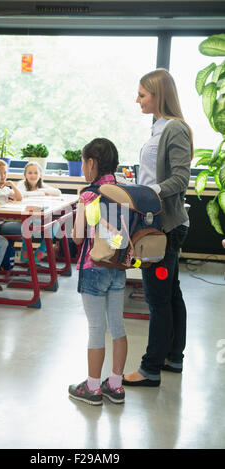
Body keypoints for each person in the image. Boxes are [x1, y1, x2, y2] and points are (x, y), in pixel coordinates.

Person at [123, 68, 193, 387]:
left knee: (157, 298)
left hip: (164, 226)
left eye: (142, 94)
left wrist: (148, 192)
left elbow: (180, 179)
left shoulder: (175, 128)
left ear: (158, 94)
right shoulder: (158, 128)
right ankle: (173, 357)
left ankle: (150, 368)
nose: (137, 100)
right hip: (158, 222)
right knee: (170, 292)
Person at [68, 138, 127, 406]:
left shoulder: (89, 195)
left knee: (95, 328)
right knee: (117, 326)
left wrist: (75, 230)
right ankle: (115, 384)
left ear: (91, 162)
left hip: (93, 267)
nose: (82, 167)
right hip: (118, 266)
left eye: (83, 162)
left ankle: (92, 388)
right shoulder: (124, 190)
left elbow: (79, 238)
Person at [17, 162, 61, 262]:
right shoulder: (21, 184)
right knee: (29, 223)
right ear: (25, 175)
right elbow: (22, 194)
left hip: (38, 218)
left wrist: (41, 191)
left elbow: (57, 192)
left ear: (40, 175)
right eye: (30, 173)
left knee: (57, 223)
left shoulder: (42, 185)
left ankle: (40, 252)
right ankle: (25, 252)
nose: (33, 175)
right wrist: (41, 192)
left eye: (36, 173)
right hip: (24, 218)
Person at [0, 159, 23, 236]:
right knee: (27, 228)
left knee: (28, 224)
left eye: (5, 173)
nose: (3, 176)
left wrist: (11, 184)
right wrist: (4, 206)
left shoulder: (5, 189)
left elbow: (19, 198)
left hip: (6, 221)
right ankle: (25, 247)